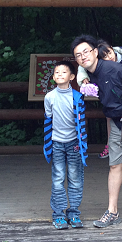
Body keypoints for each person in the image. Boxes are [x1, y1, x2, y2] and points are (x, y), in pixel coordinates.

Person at [71, 34, 122, 234]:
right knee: (114, 165)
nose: (83, 57)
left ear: (95, 52)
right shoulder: (90, 75)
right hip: (115, 123)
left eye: (86, 52)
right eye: (78, 55)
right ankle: (112, 211)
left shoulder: (116, 69)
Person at [42, 61, 88, 230]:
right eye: (57, 73)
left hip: (74, 143)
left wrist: (82, 144)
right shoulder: (49, 97)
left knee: (75, 178)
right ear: (53, 77)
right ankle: (59, 215)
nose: (60, 75)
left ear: (72, 77)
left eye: (64, 72)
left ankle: (74, 213)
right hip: (56, 143)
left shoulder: (77, 97)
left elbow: (81, 123)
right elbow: (48, 119)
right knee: (58, 178)